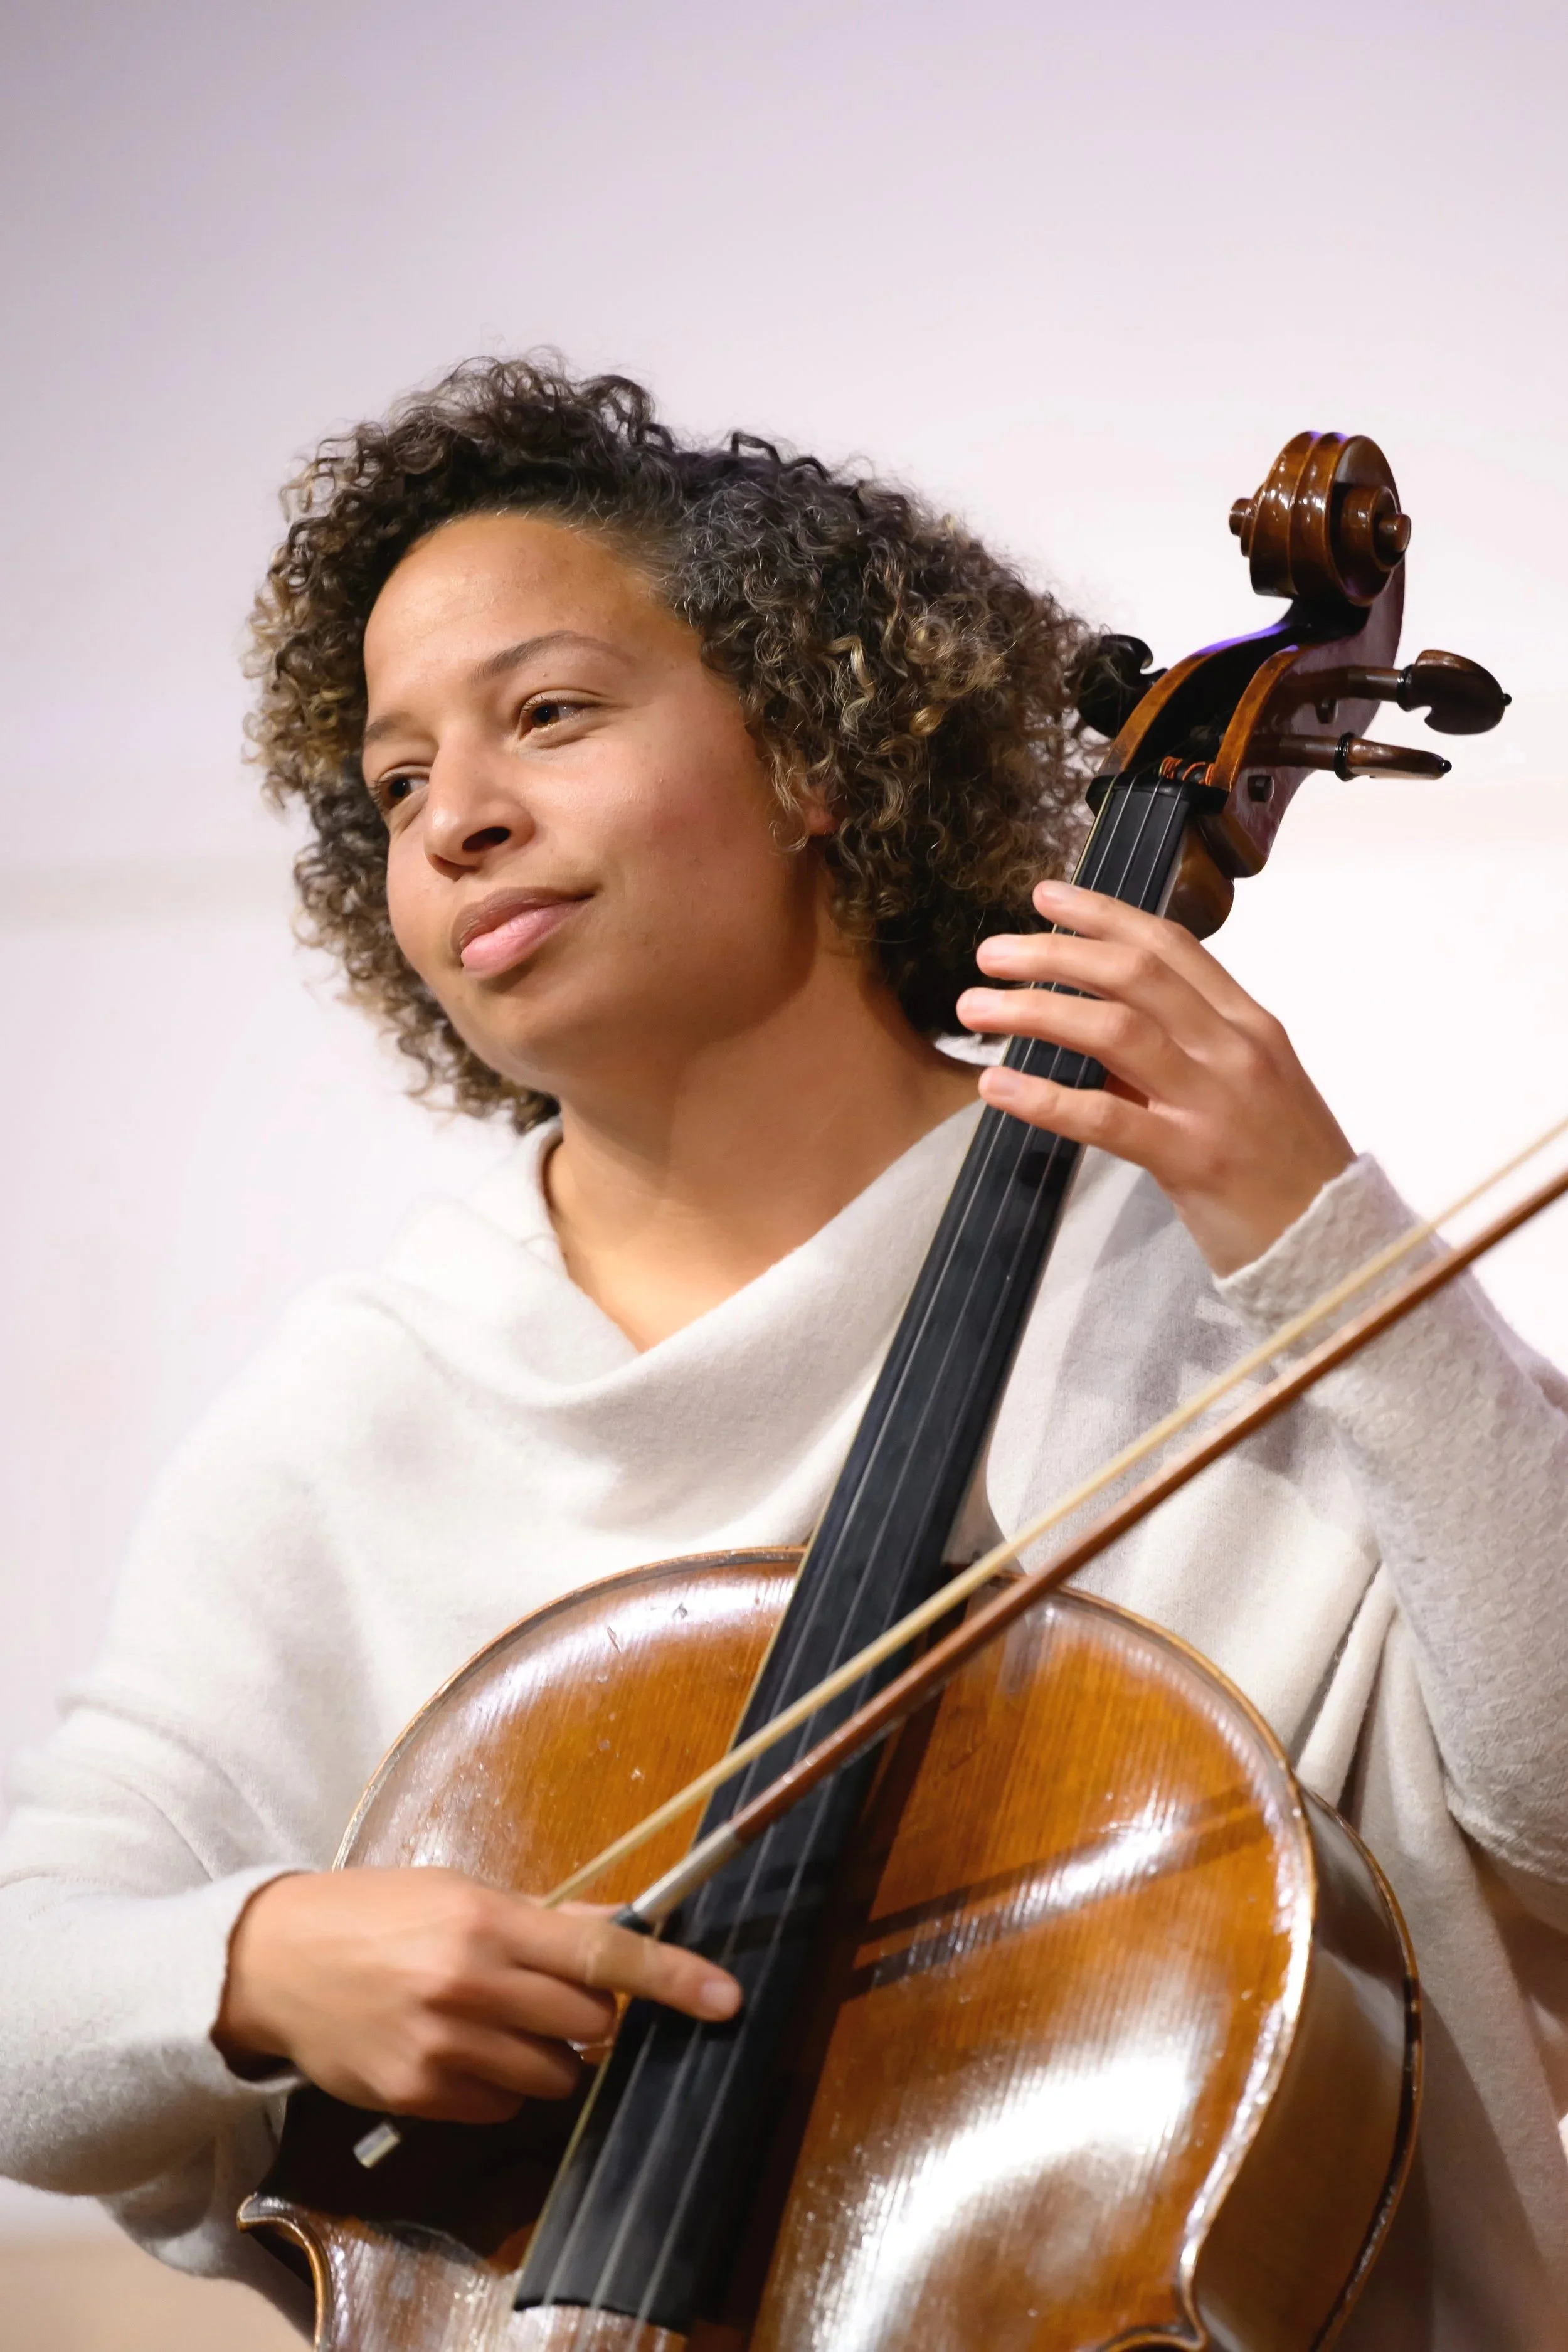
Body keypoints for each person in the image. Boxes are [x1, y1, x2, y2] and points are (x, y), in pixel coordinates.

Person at [1, 359, 1565, 2350]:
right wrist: (255, 1956)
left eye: (547, 714)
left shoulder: (1207, 1288)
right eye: (397, 785)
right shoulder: (369, 1406)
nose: (460, 817)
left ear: (816, 753)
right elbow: (22, 1989)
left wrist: (1322, 1238)